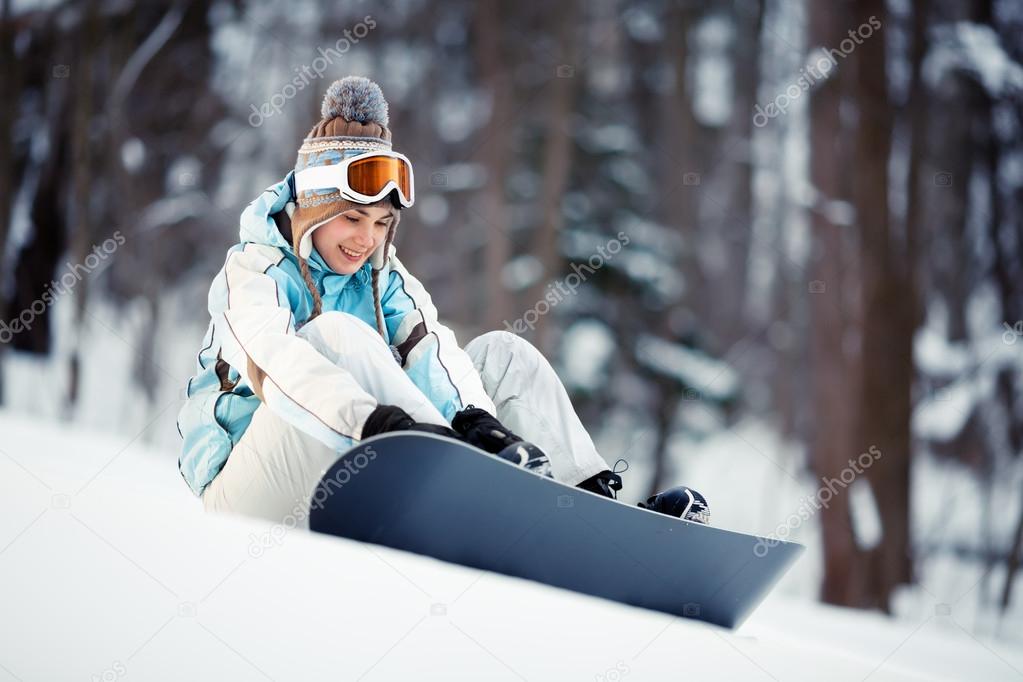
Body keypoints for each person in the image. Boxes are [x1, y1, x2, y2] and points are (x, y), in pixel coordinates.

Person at [176, 76, 708, 526]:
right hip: (244, 496)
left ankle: (592, 510)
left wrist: (478, 423)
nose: (367, 239)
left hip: (363, 463)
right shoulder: (253, 271)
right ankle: (446, 475)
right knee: (336, 335)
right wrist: (384, 428)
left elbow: (431, 348)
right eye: (353, 218)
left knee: (502, 353)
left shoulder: (382, 274)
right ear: (313, 208)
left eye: (382, 224)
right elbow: (282, 366)